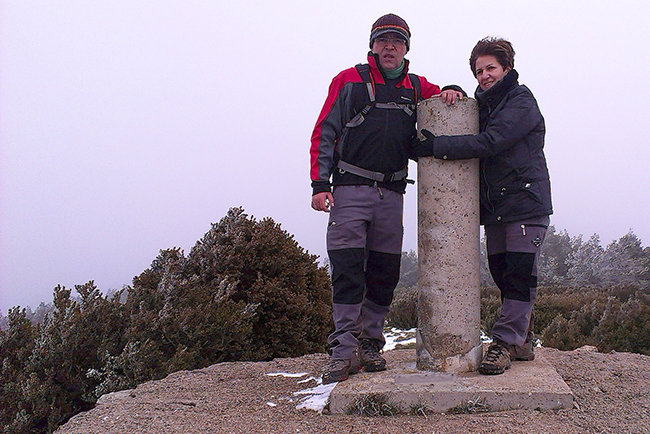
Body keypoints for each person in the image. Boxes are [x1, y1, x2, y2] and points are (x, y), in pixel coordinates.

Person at [310, 13, 464, 384]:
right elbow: (324, 132)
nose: (390, 47)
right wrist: (319, 184)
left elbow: (441, 96)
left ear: (407, 48)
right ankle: (343, 350)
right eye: (383, 41)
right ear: (372, 46)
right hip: (349, 190)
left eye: (397, 41)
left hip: (392, 194)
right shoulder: (348, 81)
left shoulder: (415, 86)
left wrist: (452, 89)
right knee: (347, 271)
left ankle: (370, 344)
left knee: (383, 274)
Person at [413, 37, 552, 375]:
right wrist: (454, 91)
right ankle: (522, 340)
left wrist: (439, 146)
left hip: (525, 205)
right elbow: (474, 121)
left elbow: (492, 141)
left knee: (519, 277)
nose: (485, 76)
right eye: (479, 71)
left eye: (491, 68)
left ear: (507, 67)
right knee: (505, 276)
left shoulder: (520, 101)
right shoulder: (485, 104)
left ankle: (503, 344)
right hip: (498, 209)